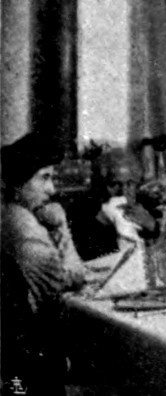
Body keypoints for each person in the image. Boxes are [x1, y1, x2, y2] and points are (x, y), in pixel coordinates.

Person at [1, 132, 87, 395]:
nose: (52, 190)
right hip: (30, 374)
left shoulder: (8, 216)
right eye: (44, 177)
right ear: (20, 182)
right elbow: (71, 278)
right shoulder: (26, 231)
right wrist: (61, 227)